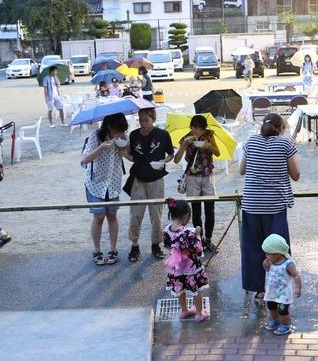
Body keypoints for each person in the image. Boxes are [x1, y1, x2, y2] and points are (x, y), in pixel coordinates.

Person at [240, 113, 300, 301]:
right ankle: (280, 289)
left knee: (252, 248)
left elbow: (242, 170)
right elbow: (296, 175)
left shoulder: (250, 142)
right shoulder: (286, 144)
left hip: (251, 204)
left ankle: (259, 291)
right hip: (274, 206)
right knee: (277, 248)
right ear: (281, 128)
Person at [125, 108, 175, 262]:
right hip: (138, 179)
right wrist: (124, 154)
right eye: (140, 120)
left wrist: (163, 162)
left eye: (146, 120)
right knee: (135, 215)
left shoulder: (162, 135)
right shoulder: (134, 135)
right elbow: (133, 157)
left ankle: (156, 245)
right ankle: (134, 246)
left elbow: (171, 154)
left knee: (156, 216)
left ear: (153, 119)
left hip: (156, 179)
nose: (143, 123)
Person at [81, 113, 129, 266]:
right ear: (109, 127)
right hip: (96, 184)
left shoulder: (122, 138)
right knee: (99, 217)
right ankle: (97, 251)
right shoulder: (96, 136)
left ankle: (113, 250)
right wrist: (101, 147)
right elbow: (84, 159)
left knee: (112, 215)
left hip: (113, 184)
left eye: (123, 131)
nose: (121, 133)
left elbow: (130, 156)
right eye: (119, 130)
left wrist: (125, 151)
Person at [173, 115, 220, 252]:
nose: (197, 131)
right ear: (191, 127)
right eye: (194, 128)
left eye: (200, 128)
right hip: (192, 178)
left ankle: (209, 240)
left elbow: (217, 153)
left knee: (210, 210)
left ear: (204, 128)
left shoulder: (209, 136)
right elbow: (176, 160)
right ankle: (198, 240)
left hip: (207, 176)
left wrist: (208, 145)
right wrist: (184, 145)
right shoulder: (187, 137)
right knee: (196, 210)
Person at [163, 198, 210, 323]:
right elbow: (198, 250)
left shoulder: (167, 230)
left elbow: (167, 246)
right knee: (196, 290)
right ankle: (199, 313)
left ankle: (184, 311)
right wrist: (198, 234)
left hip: (176, 267)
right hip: (190, 267)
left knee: (180, 289)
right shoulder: (189, 232)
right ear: (186, 215)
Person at [261, 234, 302, 336]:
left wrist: (298, 287)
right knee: (271, 308)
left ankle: (285, 324)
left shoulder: (288, 264)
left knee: (282, 310)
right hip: (272, 293)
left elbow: (296, 275)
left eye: (268, 254)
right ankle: (275, 321)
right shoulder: (271, 262)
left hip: (283, 295)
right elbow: (268, 270)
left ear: (277, 253)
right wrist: (265, 265)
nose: (266, 256)